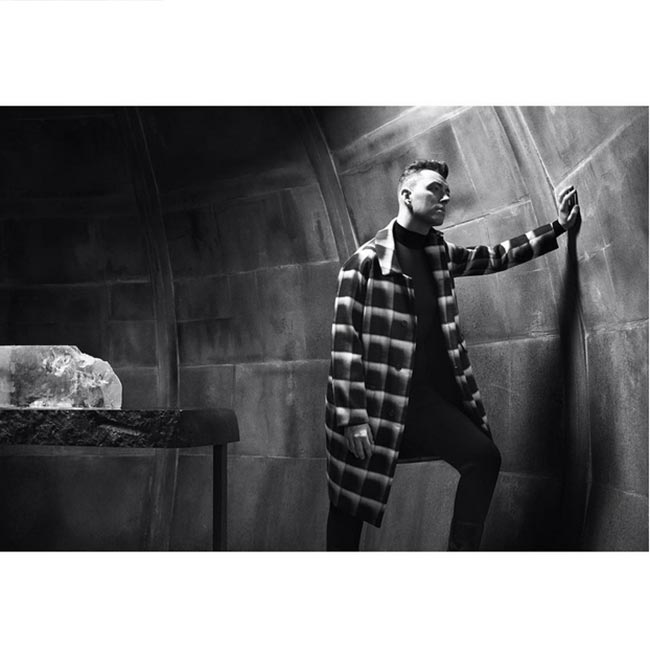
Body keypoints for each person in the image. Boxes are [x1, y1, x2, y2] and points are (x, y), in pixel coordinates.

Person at [324, 159, 580, 551]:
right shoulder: (364, 264)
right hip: (371, 407)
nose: (445, 196)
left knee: (484, 458)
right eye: (434, 189)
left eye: (447, 190)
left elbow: (495, 256)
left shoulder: (439, 253)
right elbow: (345, 344)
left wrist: (558, 226)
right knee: (349, 502)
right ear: (406, 195)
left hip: (422, 404)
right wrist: (351, 417)